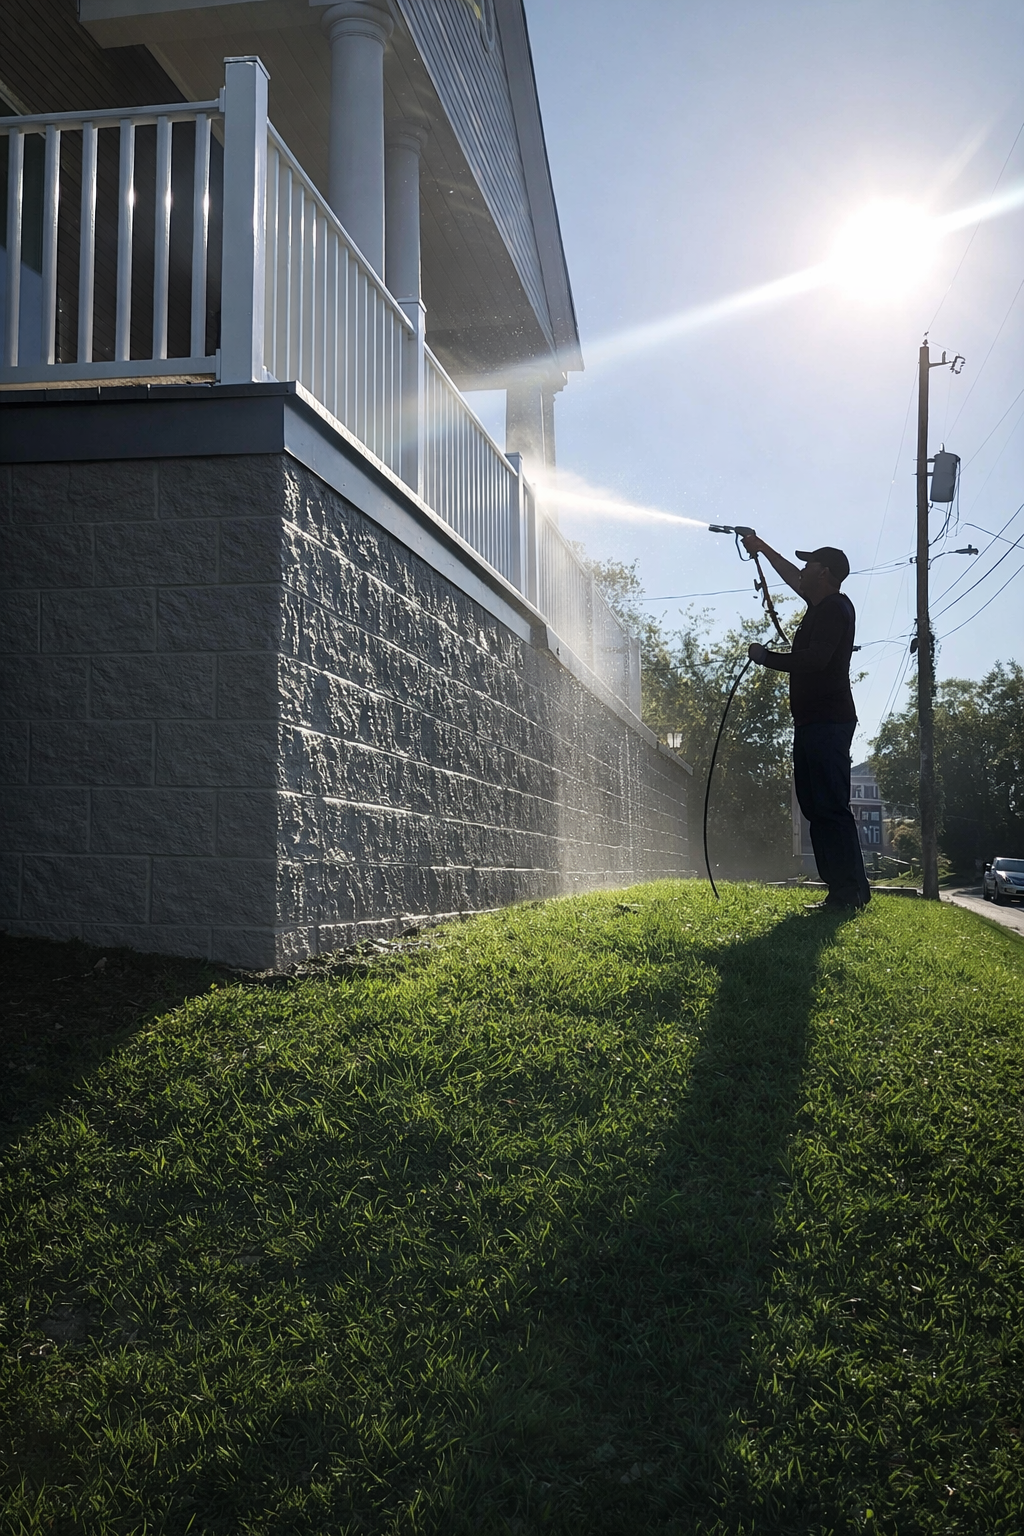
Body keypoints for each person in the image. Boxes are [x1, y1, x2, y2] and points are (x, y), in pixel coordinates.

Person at [742, 536, 870, 911]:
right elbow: (791, 577)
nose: (802, 569)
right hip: (814, 722)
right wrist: (762, 547)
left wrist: (767, 658)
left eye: (809, 564)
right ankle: (847, 891)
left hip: (828, 722)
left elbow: (815, 660)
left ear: (824, 572)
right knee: (817, 807)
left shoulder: (834, 609)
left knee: (829, 806)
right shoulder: (822, 605)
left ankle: (848, 893)